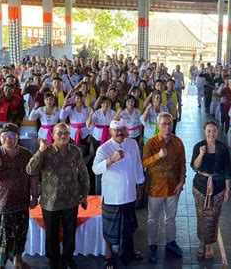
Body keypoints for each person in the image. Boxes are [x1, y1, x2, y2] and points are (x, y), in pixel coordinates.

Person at [26, 123, 90, 269]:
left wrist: (85, 194)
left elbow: (83, 173)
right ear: (53, 135)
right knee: (51, 234)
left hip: (71, 200)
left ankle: (68, 258)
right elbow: (30, 169)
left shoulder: (75, 151)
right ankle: (53, 259)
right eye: (59, 133)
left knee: (69, 232)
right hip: (50, 201)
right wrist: (40, 151)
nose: (63, 136)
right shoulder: (46, 151)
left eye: (66, 133)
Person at [0, 123, 39, 269]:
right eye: (5, 136)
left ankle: (18, 261)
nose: (8, 139)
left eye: (12, 136)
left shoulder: (27, 154)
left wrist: (35, 196)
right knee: (0, 238)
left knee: (20, 235)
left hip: (21, 204)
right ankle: (0, 265)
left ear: (18, 138)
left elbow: (33, 176)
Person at [92, 120, 145, 268]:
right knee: (110, 228)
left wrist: (140, 185)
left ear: (126, 130)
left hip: (129, 194)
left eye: (122, 129)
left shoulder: (132, 144)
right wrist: (111, 160)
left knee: (129, 225)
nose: (119, 132)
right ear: (110, 132)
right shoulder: (104, 148)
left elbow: (138, 166)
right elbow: (95, 169)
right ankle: (109, 254)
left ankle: (130, 252)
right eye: (116, 130)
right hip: (113, 197)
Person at [142, 112, 186, 263]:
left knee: (171, 217)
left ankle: (171, 242)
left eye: (169, 124)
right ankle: (152, 245)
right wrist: (158, 156)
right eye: (164, 124)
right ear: (158, 126)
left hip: (173, 187)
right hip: (155, 188)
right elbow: (143, 163)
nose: (167, 127)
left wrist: (181, 182)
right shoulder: (151, 143)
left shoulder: (178, 142)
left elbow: (182, 163)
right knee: (153, 219)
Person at [191, 121, 231, 259]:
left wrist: (228, 189)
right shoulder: (199, 146)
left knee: (214, 216)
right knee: (201, 216)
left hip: (218, 186)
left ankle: (210, 245)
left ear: (218, 131)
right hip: (200, 186)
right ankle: (202, 243)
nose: (211, 134)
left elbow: (227, 169)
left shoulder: (223, 148)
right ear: (204, 131)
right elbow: (195, 166)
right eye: (209, 131)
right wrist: (201, 155)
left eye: (214, 131)